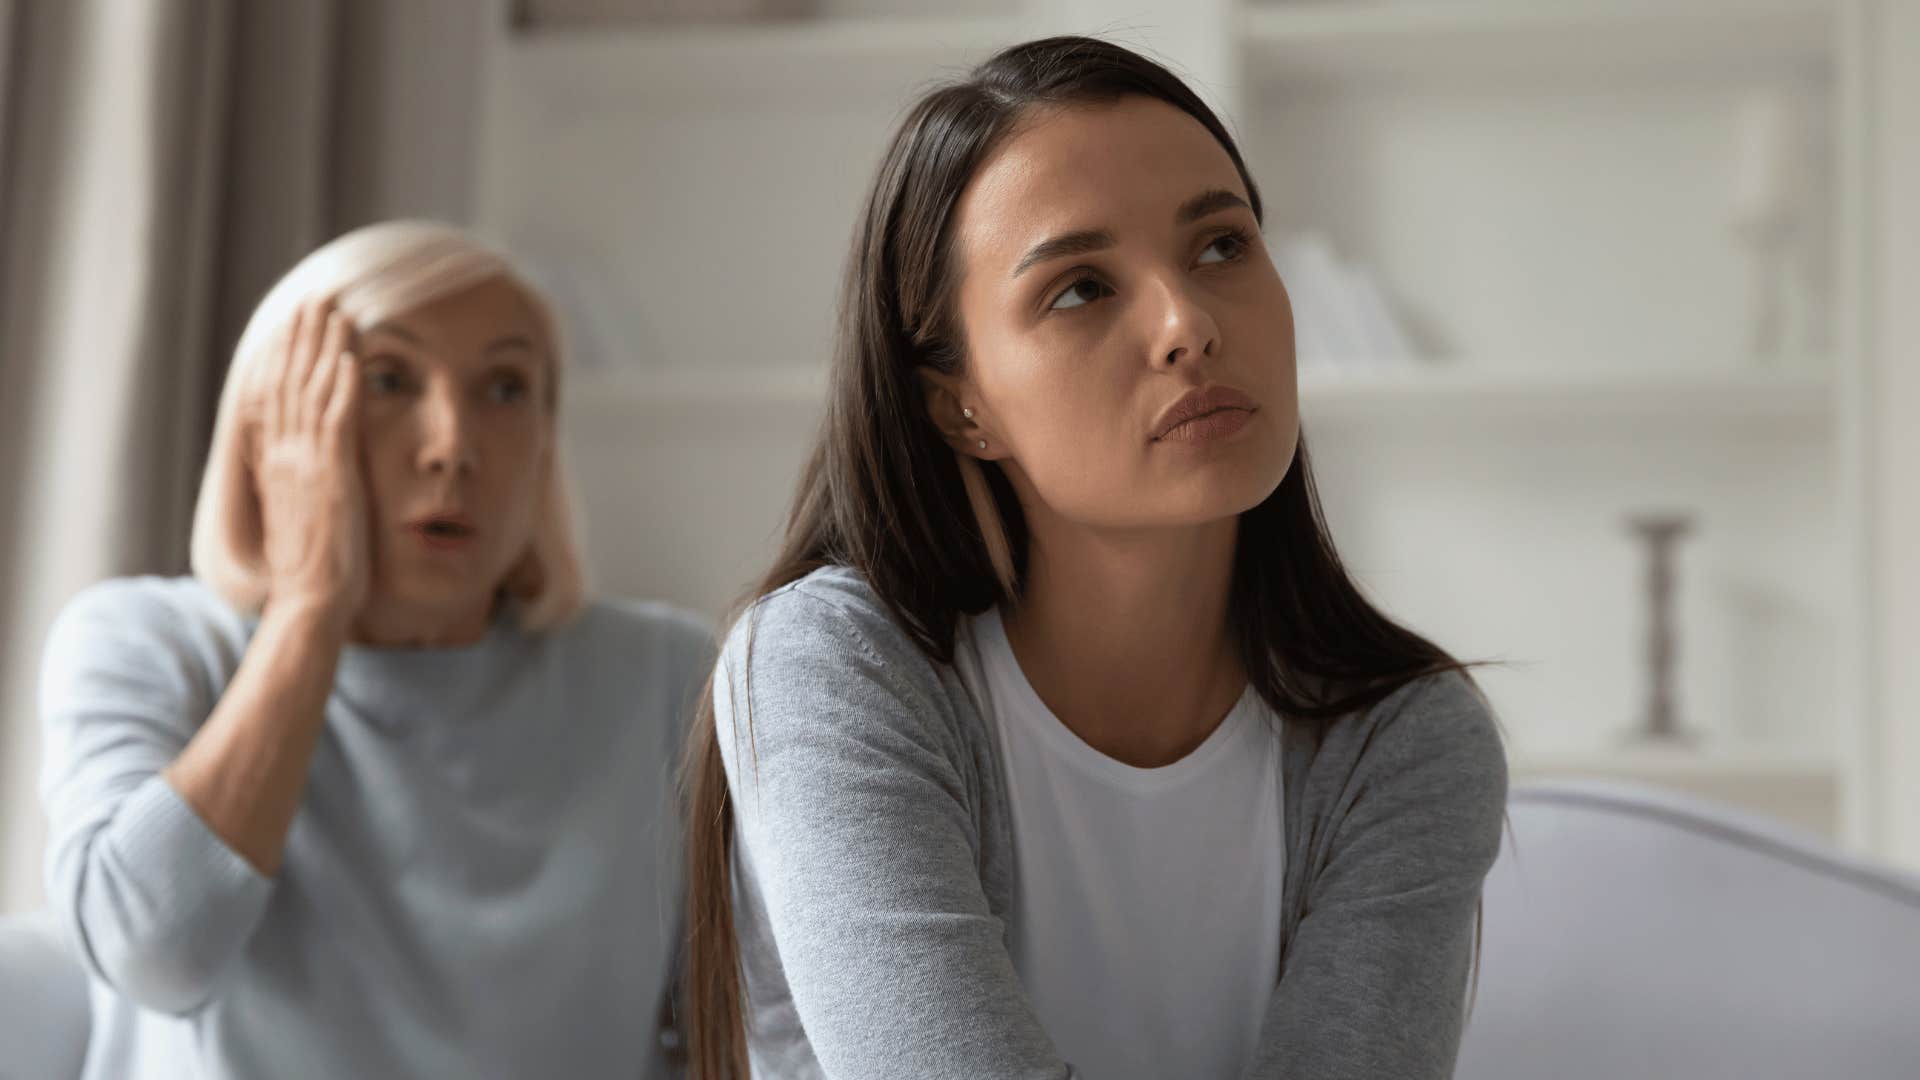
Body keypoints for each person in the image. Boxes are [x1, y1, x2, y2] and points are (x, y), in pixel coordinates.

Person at [682, 37, 1508, 1080]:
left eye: (1220, 247)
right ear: (961, 404)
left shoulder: (1403, 740)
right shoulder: (833, 672)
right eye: (1080, 289)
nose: (1187, 324)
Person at [38, 221, 708, 1079]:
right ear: (271, 429)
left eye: (505, 389)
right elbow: (151, 954)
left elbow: (738, 1026)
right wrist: (311, 608)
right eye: (389, 379)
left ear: (548, 439)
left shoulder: (663, 675)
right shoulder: (143, 643)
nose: (452, 447)